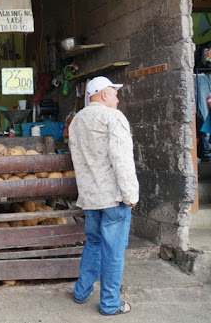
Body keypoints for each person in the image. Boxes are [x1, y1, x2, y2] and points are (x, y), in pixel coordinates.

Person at [68, 76, 139, 316]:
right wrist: (131, 194)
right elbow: (122, 159)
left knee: (95, 243)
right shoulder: (113, 117)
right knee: (114, 251)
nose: (118, 99)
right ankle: (110, 303)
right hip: (112, 198)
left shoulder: (76, 121)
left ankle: (81, 291)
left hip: (90, 197)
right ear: (104, 94)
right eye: (115, 93)